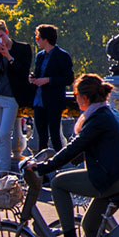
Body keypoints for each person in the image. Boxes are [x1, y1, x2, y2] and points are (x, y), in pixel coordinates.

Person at [32, 74, 119, 237]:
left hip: (116, 178)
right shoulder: (107, 112)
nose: (75, 99)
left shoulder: (98, 118)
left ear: (84, 98)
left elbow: (75, 146)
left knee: (58, 183)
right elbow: (85, 146)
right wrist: (69, 159)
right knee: (89, 225)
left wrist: (44, 167)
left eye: (76, 95)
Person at [0, 20, 35, 171]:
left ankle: (5, 170)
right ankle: (3, 169)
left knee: (5, 133)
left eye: (0, 36)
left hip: (12, 96)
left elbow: (23, 71)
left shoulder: (23, 48)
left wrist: (9, 57)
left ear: (6, 33)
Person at [29, 24, 74, 152]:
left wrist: (48, 80)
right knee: (41, 137)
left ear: (45, 39)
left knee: (55, 135)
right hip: (39, 100)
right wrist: (33, 78)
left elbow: (69, 79)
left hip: (53, 100)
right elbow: (38, 74)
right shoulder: (40, 56)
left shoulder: (62, 56)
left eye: (38, 38)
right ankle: (42, 166)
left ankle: (58, 165)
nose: (36, 40)